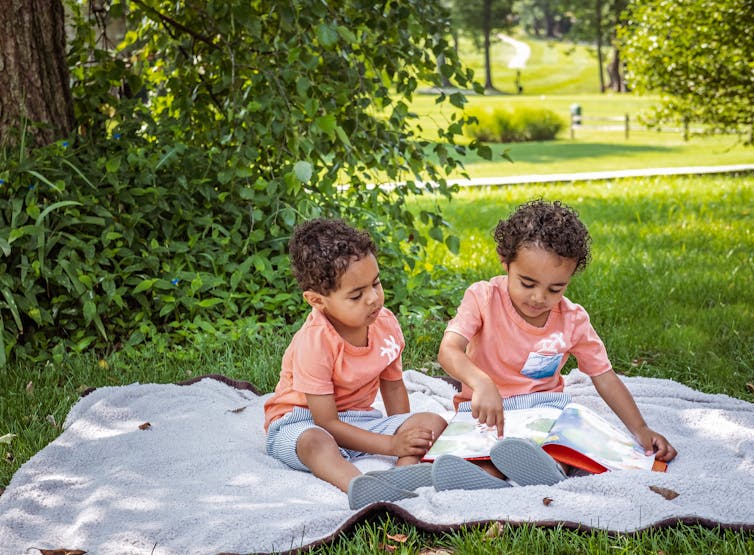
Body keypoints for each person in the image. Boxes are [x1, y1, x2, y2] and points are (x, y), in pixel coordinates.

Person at [431, 199, 678, 490]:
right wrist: (481, 383)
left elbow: (604, 377)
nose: (539, 297)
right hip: (486, 412)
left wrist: (640, 429)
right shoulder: (483, 298)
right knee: (486, 455)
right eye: (527, 283)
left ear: (569, 280)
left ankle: (547, 471)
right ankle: (483, 480)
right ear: (505, 260)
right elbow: (448, 350)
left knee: (561, 448)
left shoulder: (572, 320)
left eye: (555, 289)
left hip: (544, 411)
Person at [264, 218, 447, 509]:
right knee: (316, 443)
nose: (373, 298)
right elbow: (326, 422)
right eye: (356, 295)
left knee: (432, 422)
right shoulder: (315, 341)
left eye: (375, 283)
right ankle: (360, 486)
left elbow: (393, 386)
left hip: (359, 418)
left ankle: (405, 472)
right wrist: (388, 445)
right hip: (303, 421)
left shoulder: (384, 323)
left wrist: (404, 434)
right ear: (317, 300)